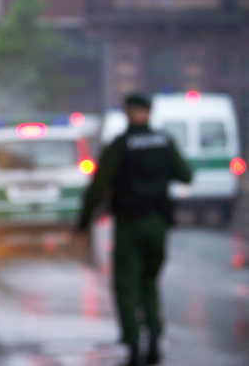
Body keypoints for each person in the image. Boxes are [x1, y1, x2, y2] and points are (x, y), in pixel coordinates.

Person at [74, 93, 192, 366]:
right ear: (149, 112)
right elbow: (186, 175)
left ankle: (133, 341)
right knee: (150, 282)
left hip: (129, 225)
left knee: (126, 285)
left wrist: (83, 223)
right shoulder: (165, 142)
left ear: (128, 112)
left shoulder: (120, 146)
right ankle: (154, 339)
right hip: (158, 224)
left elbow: (98, 187)